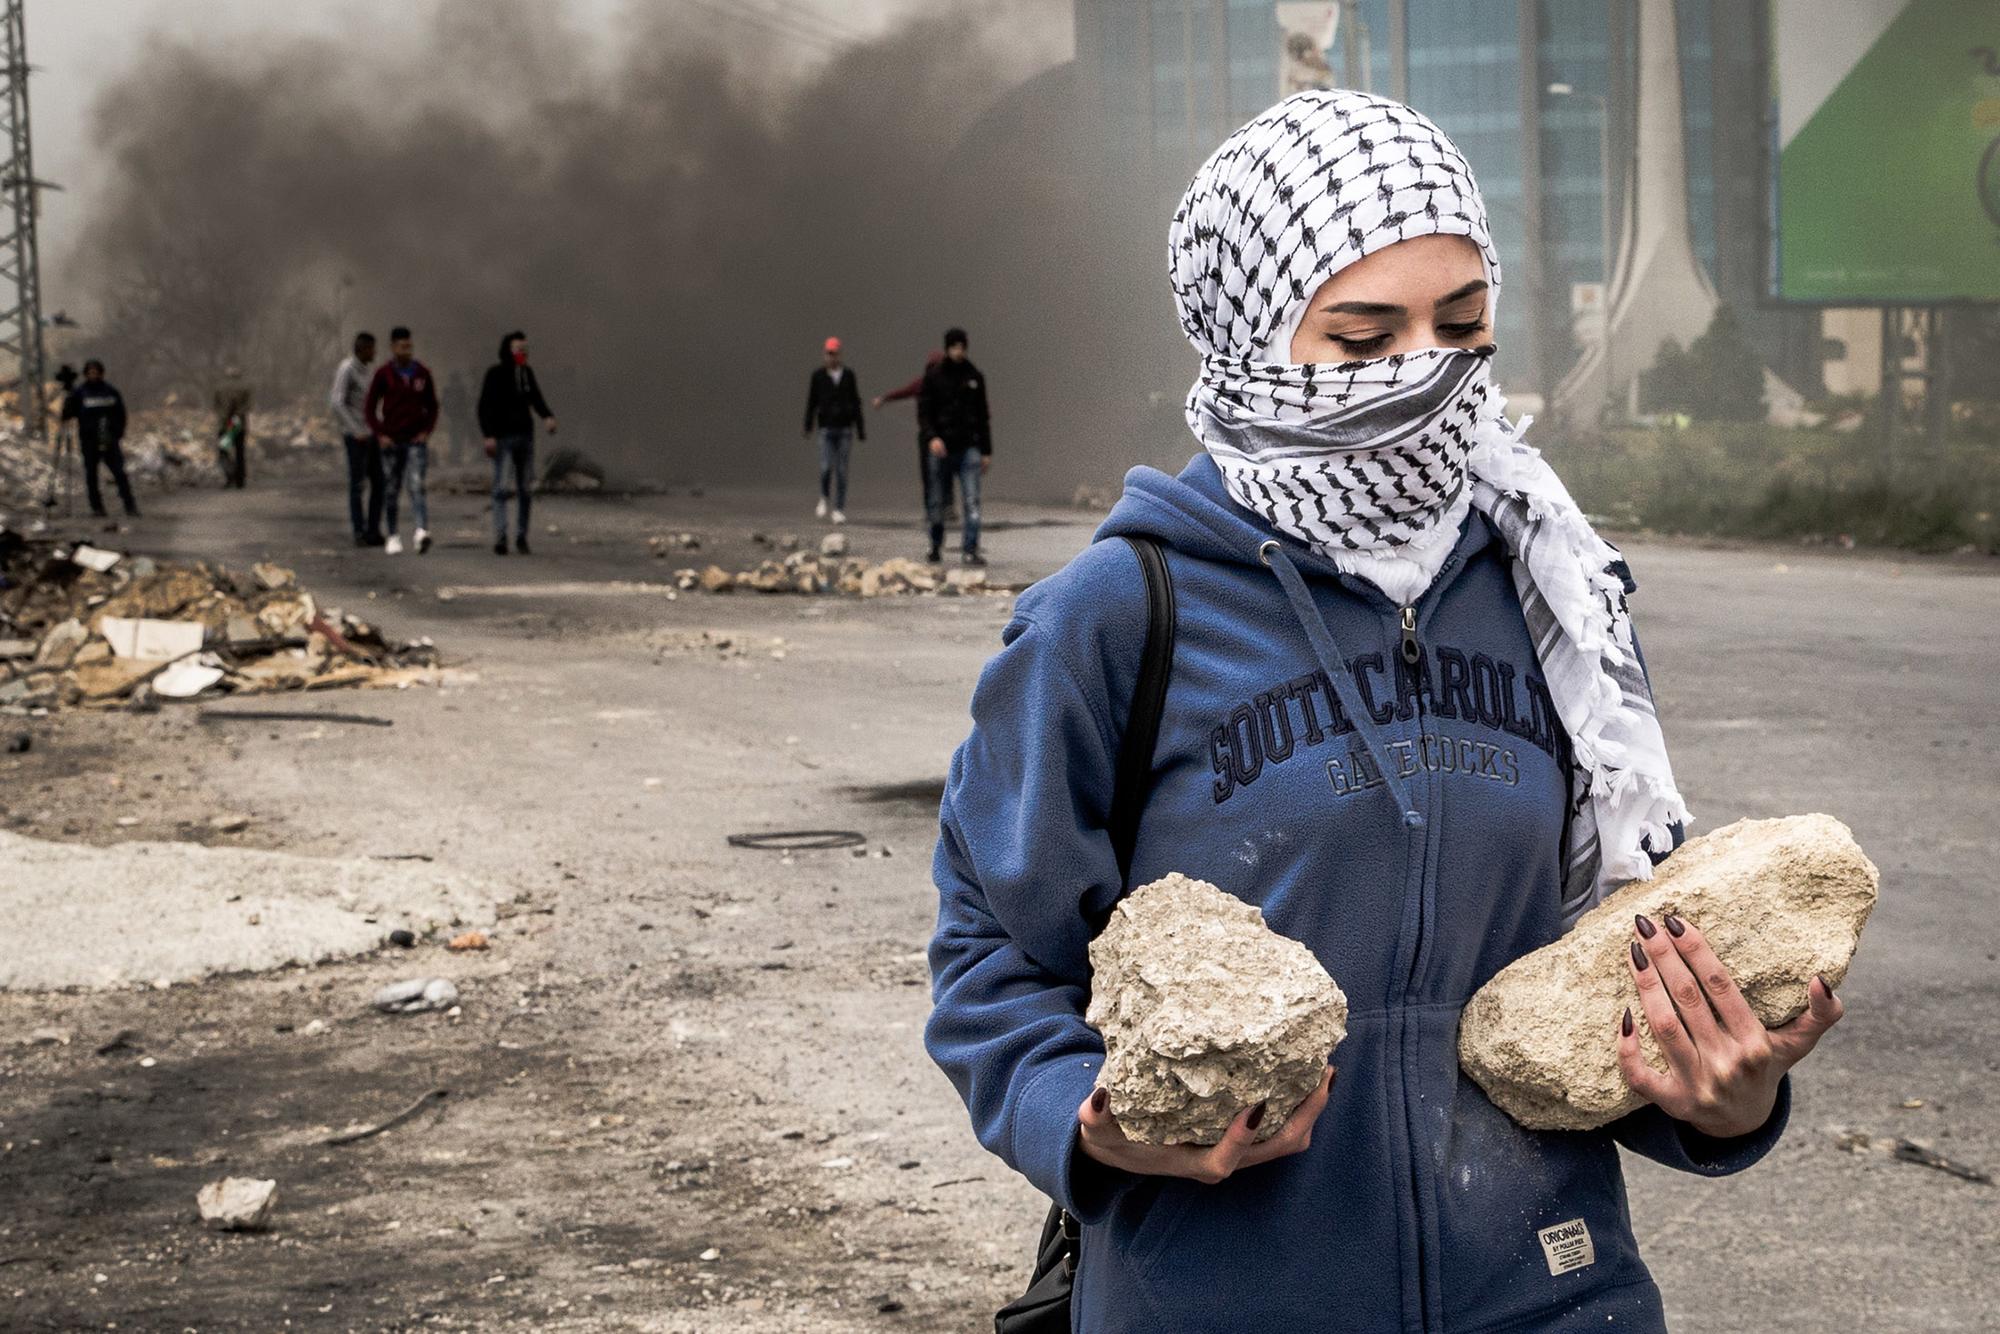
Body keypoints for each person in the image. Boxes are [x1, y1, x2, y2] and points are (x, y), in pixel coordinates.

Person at [924, 90, 1845, 1333]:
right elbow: (989, 954)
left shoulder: (1551, 592)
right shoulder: (1116, 614)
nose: (1422, 374)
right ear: (1250, 337)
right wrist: (1099, 1128)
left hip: (1553, 1295)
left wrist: (1723, 1098)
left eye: (1459, 325)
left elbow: (1593, 979)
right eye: (1362, 341)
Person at [477, 329, 559, 556]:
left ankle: (521, 536)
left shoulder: (526, 373)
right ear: (508, 350)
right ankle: (501, 537)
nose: (523, 353)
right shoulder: (495, 374)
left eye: (525, 349)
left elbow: (536, 398)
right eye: (518, 349)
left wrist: (547, 417)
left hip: (525, 437)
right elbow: (484, 406)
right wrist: (488, 435)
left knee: (525, 489)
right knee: (501, 488)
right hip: (503, 437)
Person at [916, 328, 990, 565]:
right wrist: (932, 438)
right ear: (948, 348)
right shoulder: (934, 377)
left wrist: (987, 450)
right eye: (955, 346)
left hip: (969, 447)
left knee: (971, 500)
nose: (959, 351)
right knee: (936, 501)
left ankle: (970, 548)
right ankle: (935, 545)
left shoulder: (974, 377)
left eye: (962, 346)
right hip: (941, 447)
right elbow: (924, 413)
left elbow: (982, 416)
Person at [364, 326, 439, 556]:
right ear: (393, 347)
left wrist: (427, 431)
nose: (407, 350)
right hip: (392, 441)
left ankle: (421, 531)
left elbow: (433, 405)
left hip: (416, 441)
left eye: (409, 346)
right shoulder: (384, 374)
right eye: (402, 346)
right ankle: (394, 535)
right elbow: (369, 408)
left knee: (416, 486)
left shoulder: (422, 373)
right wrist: (381, 434)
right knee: (391, 489)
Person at [59, 359, 139, 518]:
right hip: (89, 440)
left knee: (119, 473)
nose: (93, 374)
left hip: (109, 439)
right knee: (91, 475)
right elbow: (67, 415)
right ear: (86, 374)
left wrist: (117, 433)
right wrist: (68, 397)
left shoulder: (110, 391)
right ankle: (97, 508)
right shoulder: (80, 393)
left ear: (101, 373)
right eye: (90, 372)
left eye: (96, 371)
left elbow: (120, 414)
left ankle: (130, 506)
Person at [873, 348, 944, 517]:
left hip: (944, 434)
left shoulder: (947, 384)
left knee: (943, 471)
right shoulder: (921, 384)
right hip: (926, 435)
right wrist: (884, 399)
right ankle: (931, 508)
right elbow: (902, 392)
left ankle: (944, 505)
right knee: (928, 472)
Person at [802, 336, 864, 524]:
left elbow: (856, 401)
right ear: (825, 355)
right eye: (829, 353)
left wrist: (860, 427)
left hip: (845, 428)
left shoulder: (848, 375)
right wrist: (808, 425)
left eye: (835, 353)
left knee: (842, 470)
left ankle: (838, 508)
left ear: (839, 355)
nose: (832, 357)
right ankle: (824, 497)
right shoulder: (818, 376)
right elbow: (812, 402)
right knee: (826, 466)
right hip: (826, 428)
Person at [330, 332, 384, 547]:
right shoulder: (347, 369)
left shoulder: (370, 371)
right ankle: (359, 531)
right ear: (361, 349)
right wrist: (354, 429)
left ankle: (373, 529)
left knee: (379, 482)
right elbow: (337, 401)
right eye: (371, 348)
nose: (375, 352)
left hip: (372, 434)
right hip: (356, 436)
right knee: (357, 485)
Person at [213, 365, 253, 489]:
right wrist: (237, 415)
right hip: (237, 423)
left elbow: (216, 406)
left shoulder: (219, 387)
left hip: (225, 424)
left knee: (224, 450)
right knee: (239, 451)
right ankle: (240, 480)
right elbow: (248, 406)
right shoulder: (245, 387)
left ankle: (229, 476)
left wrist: (224, 416)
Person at [442, 370, 475, 467]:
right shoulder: (462, 389)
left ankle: (454, 458)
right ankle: (457, 458)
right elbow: (467, 402)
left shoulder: (447, 389)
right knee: (459, 438)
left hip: (452, 417)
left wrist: (447, 413)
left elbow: (443, 402)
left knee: (453, 438)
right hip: (461, 417)